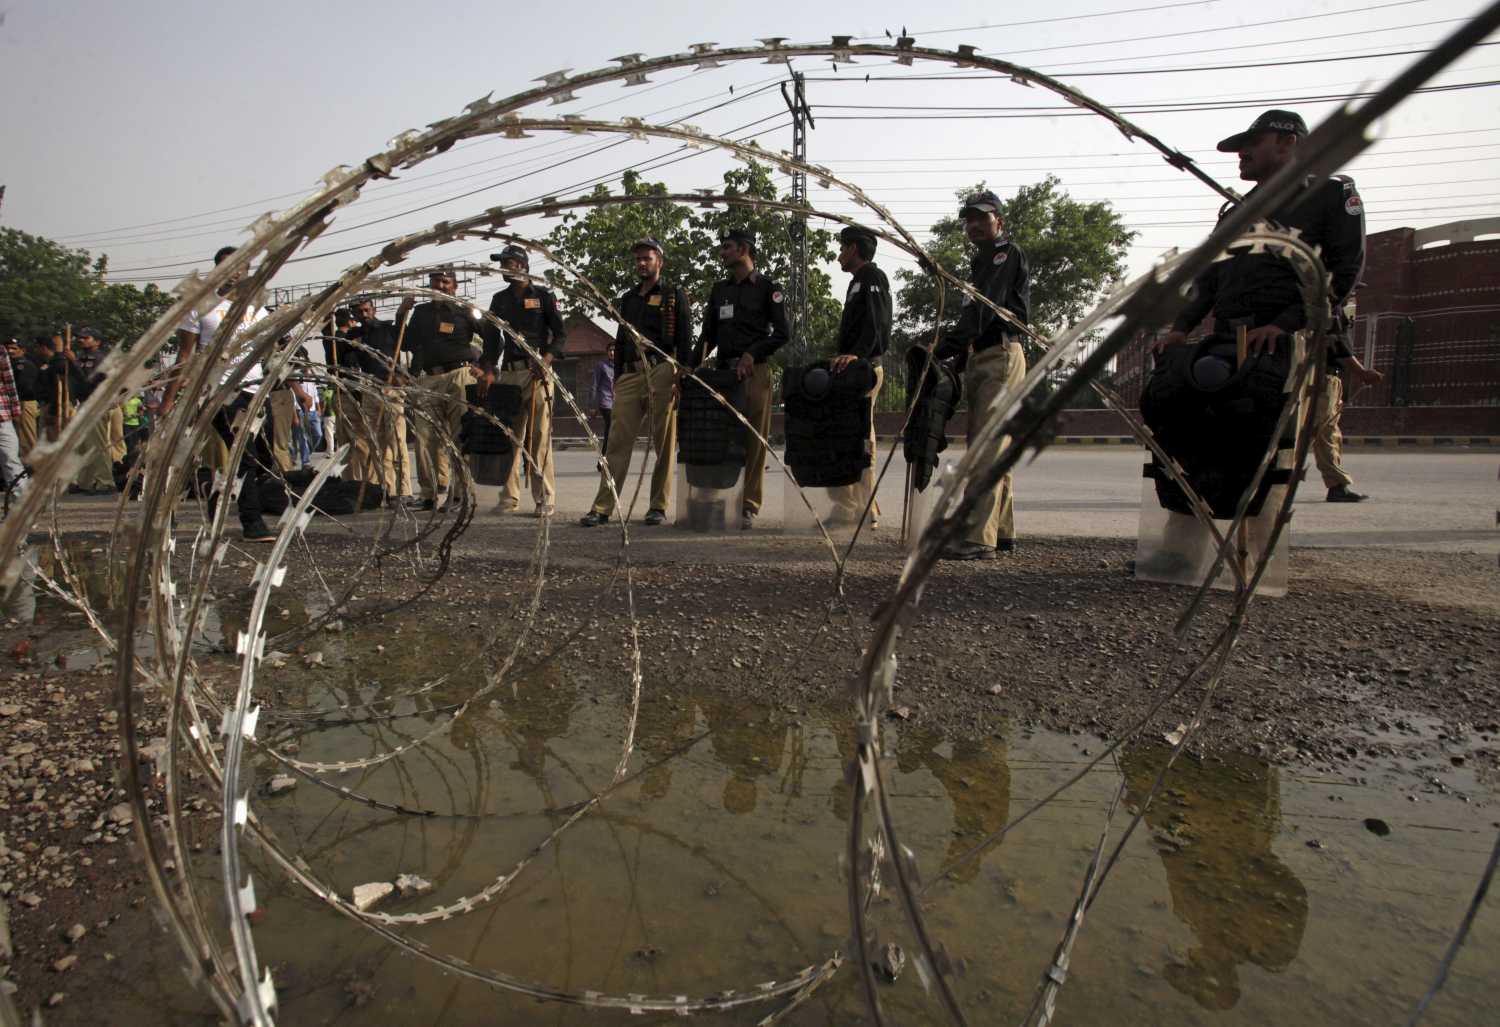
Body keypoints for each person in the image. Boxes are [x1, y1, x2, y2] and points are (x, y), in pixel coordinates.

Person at [1155, 110, 1382, 501]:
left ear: (1289, 142)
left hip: (1284, 342)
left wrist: (1286, 323)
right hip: (1231, 339)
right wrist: (1181, 327)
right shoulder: (1238, 209)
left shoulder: (1329, 195)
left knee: (1260, 451)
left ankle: (1251, 548)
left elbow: (1341, 272)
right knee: (1189, 432)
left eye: (1252, 143)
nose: (1241, 153)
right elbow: (1210, 275)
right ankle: (1182, 550)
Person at [933, 190, 1031, 560]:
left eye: (982, 218)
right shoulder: (981, 262)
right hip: (984, 354)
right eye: (969, 220)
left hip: (1000, 353)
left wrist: (946, 346)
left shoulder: (1005, 254)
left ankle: (978, 538)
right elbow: (972, 314)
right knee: (992, 443)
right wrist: (958, 353)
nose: (973, 225)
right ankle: (1001, 531)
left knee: (987, 447)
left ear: (999, 222)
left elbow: (985, 310)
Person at [579, 238, 693, 527]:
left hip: (661, 370)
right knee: (617, 442)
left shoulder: (673, 295)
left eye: (648, 258)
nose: (642, 263)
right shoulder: (628, 299)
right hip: (629, 373)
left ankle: (658, 506)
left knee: (664, 442)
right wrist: (618, 378)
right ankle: (603, 506)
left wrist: (682, 376)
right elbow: (620, 339)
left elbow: (684, 340)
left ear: (660, 262)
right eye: (639, 259)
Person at [172, 245, 276, 541]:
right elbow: (185, 354)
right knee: (245, 452)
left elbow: (268, 344)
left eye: (240, 267)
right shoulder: (199, 306)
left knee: (263, 457)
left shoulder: (255, 305)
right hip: (219, 392)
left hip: (255, 389)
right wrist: (170, 399)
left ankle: (220, 493)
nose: (234, 273)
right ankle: (252, 523)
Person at [693, 229, 790, 530]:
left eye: (728, 247)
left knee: (754, 441)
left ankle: (748, 505)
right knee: (719, 438)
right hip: (723, 375)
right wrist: (692, 367)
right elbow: (707, 335)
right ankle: (711, 499)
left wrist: (752, 353)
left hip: (755, 373)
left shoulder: (768, 288)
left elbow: (782, 333)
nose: (722, 253)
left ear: (745, 250)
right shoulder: (719, 290)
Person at [482, 245, 564, 516]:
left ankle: (545, 497)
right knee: (511, 436)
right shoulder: (499, 300)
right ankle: (509, 497)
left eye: (509, 262)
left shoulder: (543, 295)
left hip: (537, 371)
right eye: (502, 263)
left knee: (539, 437)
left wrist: (546, 359)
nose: (504, 267)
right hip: (510, 372)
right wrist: (489, 370)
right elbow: (492, 340)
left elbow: (560, 334)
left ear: (522, 265)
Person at [826, 224, 892, 528]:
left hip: (865, 370)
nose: (839, 254)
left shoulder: (872, 277)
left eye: (842, 248)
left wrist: (859, 355)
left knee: (862, 441)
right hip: (850, 371)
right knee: (843, 438)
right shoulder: (857, 282)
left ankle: (866, 509)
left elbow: (877, 324)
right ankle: (846, 506)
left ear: (853, 249)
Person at [398, 266, 480, 511]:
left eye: (445, 282)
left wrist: (483, 366)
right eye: (436, 282)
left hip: (458, 376)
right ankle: (429, 493)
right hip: (428, 378)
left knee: (459, 436)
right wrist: (401, 314)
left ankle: (459, 493)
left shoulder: (465, 310)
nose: (440, 286)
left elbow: (490, 336)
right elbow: (405, 343)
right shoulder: (421, 312)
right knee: (424, 438)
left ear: (454, 285)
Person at [346, 298, 413, 503]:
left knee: (397, 441)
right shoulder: (354, 335)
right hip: (369, 391)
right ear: (354, 315)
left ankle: (404, 490)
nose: (364, 314)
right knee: (377, 444)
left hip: (390, 390)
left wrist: (402, 310)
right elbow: (347, 360)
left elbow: (401, 328)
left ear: (373, 310)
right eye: (359, 312)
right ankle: (388, 490)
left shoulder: (385, 328)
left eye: (366, 310)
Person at [0, 344, 29, 505]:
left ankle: (23, 508)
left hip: (2, 417)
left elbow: (9, 381)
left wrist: (16, 411)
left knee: (11, 461)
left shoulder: (1, 351)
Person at [4, 339, 40, 458]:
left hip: (24, 403)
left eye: (14, 348)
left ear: (23, 350)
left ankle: (34, 468)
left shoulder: (23, 364)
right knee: (16, 438)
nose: (10, 351)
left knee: (27, 438)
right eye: (8, 348)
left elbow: (23, 386)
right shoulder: (9, 364)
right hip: (14, 404)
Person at [592, 344, 615, 451]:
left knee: (612, 429)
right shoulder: (601, 365)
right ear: (607, 352)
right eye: (610, 350)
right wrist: (592, 405)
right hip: (605, 401)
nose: (612, 352)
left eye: (614, 350)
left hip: (616, 402)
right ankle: (604, 460)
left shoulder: (619, 367)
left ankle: (605, 460)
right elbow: (594, 384)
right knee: (610, 426)